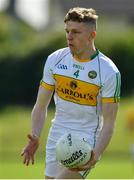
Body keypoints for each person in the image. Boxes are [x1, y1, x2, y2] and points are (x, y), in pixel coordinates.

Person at [21, 7, 121, 179]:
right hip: (57, 136)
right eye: (67, 31)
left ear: (92, 35)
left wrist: (95, 154)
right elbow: (41, 105)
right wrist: (35, 135)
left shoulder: (108, 71)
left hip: (86, 140)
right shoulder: (55, 60)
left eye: (76, 32)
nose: (69, 36)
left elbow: (109, 123)